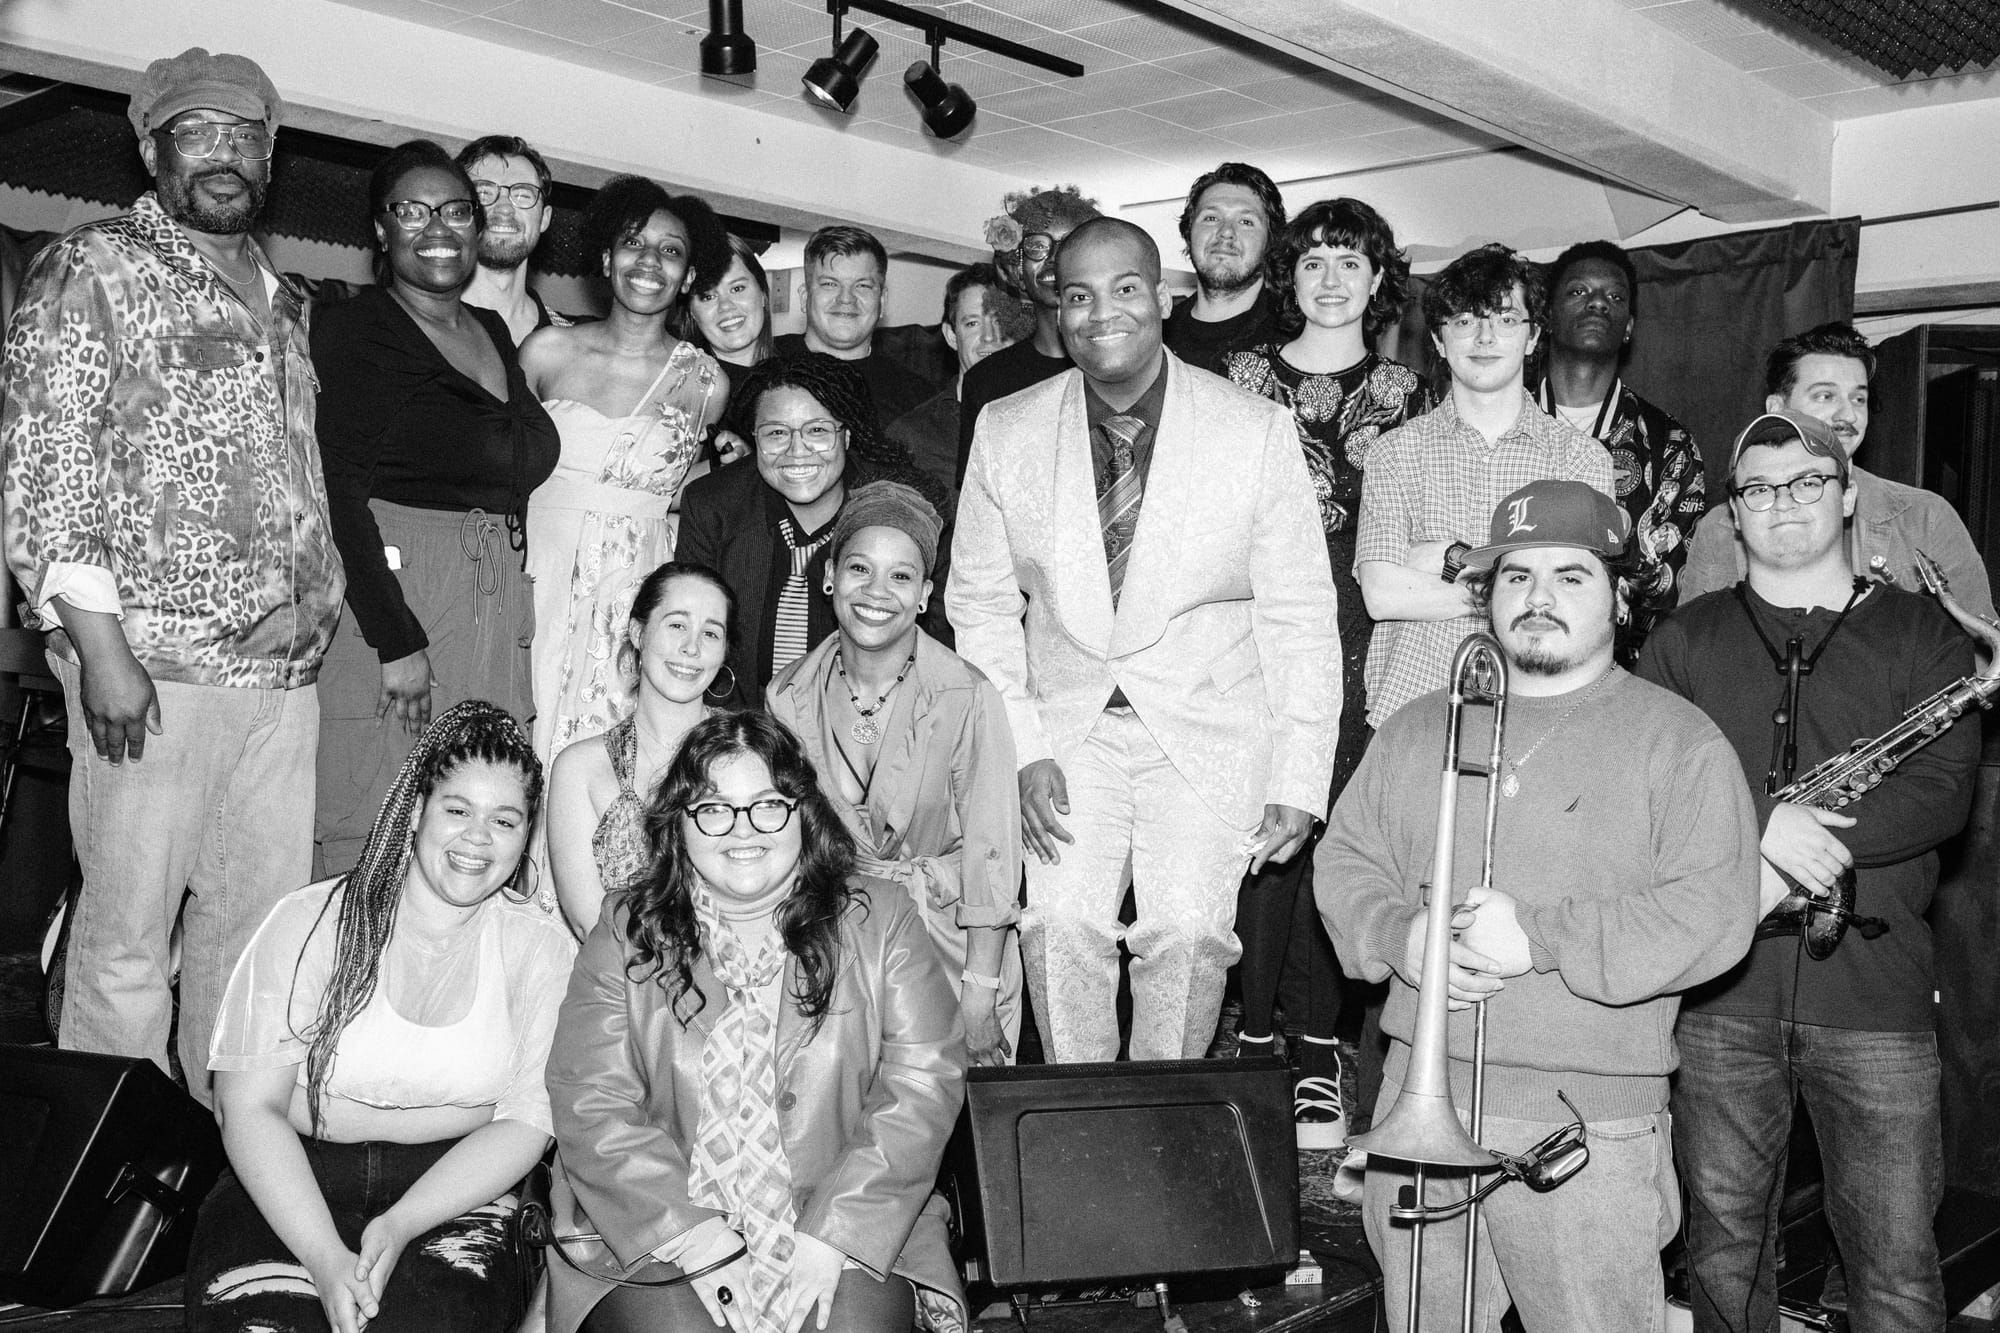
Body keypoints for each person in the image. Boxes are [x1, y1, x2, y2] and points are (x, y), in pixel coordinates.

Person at [1320, 479, 1761, 1331]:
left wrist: (1539, 938)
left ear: (1620, 597)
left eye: (1571, 575)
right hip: (1418, 1108)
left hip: (1584, 1127)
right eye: (1516, 577)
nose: (1539, 597)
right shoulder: (1418, 726)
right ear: (1487, 598)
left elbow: (1713, 913)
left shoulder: (1680, 741)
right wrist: (1401, 936)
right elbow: (1345, 862)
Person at [0, 48, 344, 1101]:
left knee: (250, 956)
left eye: (245, 135)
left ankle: (208, 1178)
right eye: (198, 132)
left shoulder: (284, 299)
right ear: (152, 148)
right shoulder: (94, 266)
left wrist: (317, 602)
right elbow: (45, 464)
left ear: (271, 153)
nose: (225, 154)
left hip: (281, 686)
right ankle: (97, 1203)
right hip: (151, 671)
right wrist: (100, 650)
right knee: (126, 947)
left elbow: (294, 473)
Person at [948, 217, 1340, 1063]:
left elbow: (1301, 612)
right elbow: (979, 605)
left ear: (1162, 296)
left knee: (1191, 936)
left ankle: (1169, 1135)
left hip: (1209, 730)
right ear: (1057, 305)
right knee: (1056, 926)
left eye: (1124, 288)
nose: (1101, 313)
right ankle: (1085, 1135)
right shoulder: (1005, 428)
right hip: (1065, 733)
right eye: (1078, 294)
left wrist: (1298, 774)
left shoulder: (1254, 428)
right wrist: (1017, 748)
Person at [1637, 410, 1981, 1333]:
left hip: (1876, 997)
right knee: (1721, 1253)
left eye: (1805, 483)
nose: (1782, 503)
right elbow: (1646, 787)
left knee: (1898, 1270)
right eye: (1758, 487)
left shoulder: (1922, 634)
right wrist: (1761, 822)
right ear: (1733, 515)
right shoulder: (1680, 640)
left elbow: (1943, 792)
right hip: (1719, 1000)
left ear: (1848, 495)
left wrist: (1793, 849)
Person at [544, 710, 969, 1333]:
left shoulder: (882, 921)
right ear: (678, 826)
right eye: (713, 809)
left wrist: (835, 1234)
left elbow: (923, 1082)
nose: (742, 830)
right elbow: (590, 1097)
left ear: (802, 812)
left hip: (856, 1221)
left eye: (767, 805)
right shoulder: (626, 930)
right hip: (648, 1228)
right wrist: (692, 1239)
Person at [188, 701, 575, 1333]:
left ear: (526, 835)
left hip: (457, 1195)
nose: (477, 838)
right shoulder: (309, 920)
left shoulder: (541, 949)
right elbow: (248, 1107)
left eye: (503, 820)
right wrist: (322, 1257)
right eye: (457, 810)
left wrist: (399, 1224)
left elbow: (529, 1126)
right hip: (292, 1179)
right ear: (417, 811)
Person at [1224, 196, 1430, 1146]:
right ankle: (1254, 1035)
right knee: (1267, 832)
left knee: (1338, 837)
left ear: (1378, 278)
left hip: (1368, 636)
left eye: (1351, 262)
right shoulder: (1243, 377)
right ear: (1290, 275)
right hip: (1263, 632)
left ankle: (1315, 1049)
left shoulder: (1411, 392)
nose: (1332, 279)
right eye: (1313, 262)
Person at [312, 140, 561, 876]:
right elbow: (332, 491)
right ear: (380, 230)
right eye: (412, 211)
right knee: (376, 826)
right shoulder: (357, 331)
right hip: (399, 601)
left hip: (488, 602)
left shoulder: (489, 331)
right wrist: (395, 639)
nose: (438, 228)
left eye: (455, 209)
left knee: (471, 823)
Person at [768, 481, 1023, 1065]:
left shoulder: (966, 695)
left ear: (926, 593)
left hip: (950, 947)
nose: (876, 592)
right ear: (829, 575)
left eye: (901, 576)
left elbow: (991, 855)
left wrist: (979, 995)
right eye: (860, 568)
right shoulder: (786, 697)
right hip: (833, 945)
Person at [1356, 242, 1614, 729]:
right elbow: (1383, 595)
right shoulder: (1394, 452)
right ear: (1438, 339)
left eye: (1504, 319)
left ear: (1534, 336)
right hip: (1412, 712)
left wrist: (1449, 562)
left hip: (1541, 713)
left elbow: (1580, 601)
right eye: (1464, 321)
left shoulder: (1582, 460)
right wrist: (1518, 580)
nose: (1484, 336)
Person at [521, 176, 730, 763]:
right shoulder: (545, 353)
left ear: (688, 276)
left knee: (611, 761)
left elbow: (689, 489)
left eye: (670, 251)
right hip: (540, 572)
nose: (649, 262)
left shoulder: (706, 384)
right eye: (634, 243)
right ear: (607, 257)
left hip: (633, 585)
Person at [677, 352, 948, 709]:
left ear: (847, 436)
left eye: (817, 430)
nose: (797, 451)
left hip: (868, 721)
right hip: (734, 722)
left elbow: (937, 641)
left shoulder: (900, 512)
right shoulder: (714, 506)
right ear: (755, 438)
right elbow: (688, 633)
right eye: (776, 433)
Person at [1679, 322, 1996, 621]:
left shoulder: (1926, 518)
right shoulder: (1721, 527)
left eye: (1859, 398)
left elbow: (1981, 653)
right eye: (1825, 395)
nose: (1848, 414)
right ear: (1776, 409)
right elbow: (1691, 653)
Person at [546, 560, 735, 939]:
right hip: (621, 984)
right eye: (677, 625)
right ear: (638, 631)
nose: (692, 648)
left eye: (711, 633)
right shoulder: (580, 769)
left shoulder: (749, 755)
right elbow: (591, 926)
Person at [1532, 240, 1705, 653]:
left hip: (1616, 668)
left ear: (1628, 326)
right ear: (1548, 317)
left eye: (1614, 296)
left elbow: (1668, 585)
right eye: (1578, 292)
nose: (1597, 304)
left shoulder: (1669, 444)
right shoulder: (1495, 425)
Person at [956, 184, 1102, 484]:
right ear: (1016, 272)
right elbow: (977, 500)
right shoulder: (986, 381)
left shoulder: (1116, 362)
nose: (1053, 260)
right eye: (1037, 247)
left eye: (1069, 245)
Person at [770, 224, 932, 431]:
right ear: (804, 297)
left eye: (862, 285)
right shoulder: (764, 366)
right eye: (830, 284)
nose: (846, 298)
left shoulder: (919, 398)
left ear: (881, 301)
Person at [886, 262, 1014, 501]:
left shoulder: (1052, 423)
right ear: (951, 336)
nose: (989, 336)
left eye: (1000, 321)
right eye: (972, 323)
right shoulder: (910, 437)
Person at [1164, 162, 1285, 375]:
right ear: (1189, 232)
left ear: (1270, 241)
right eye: (1211, 218)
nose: (1226, 232)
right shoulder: (1156, 337)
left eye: (1246, 222)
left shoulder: (1296, 334)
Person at [455, 134, 571, 343]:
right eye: (484, 193)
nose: (505, 208)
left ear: (544, 219)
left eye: (523, 195)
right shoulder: (418, 329)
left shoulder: (569, 344)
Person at [689, 232, 774, 372]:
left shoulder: (800, 370)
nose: (726, 306)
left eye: (737, 288)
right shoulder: (682, 389)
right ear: (692, 312)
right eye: (708, 296)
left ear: (763, 294)